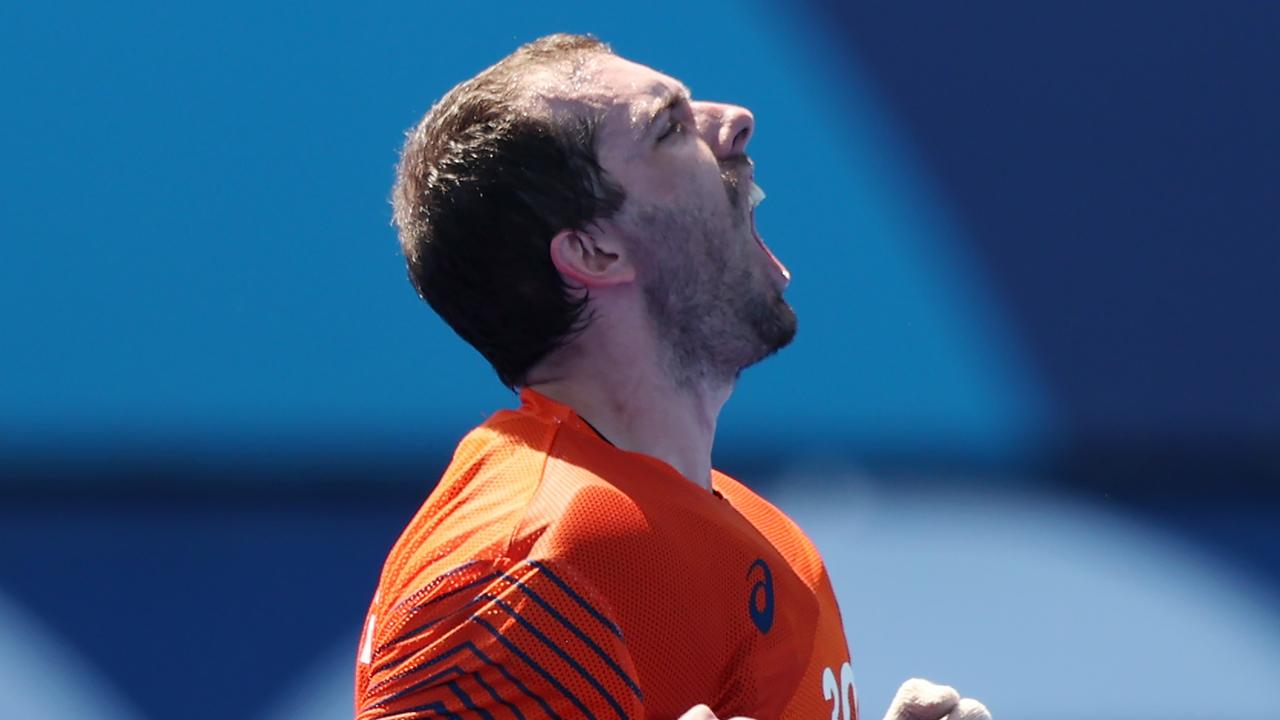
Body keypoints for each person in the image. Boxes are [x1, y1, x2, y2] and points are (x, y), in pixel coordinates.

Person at [355, 33, 991, 720]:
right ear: (595, 252)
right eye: (670, 127)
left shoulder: (769, 539)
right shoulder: (521, 572)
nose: (737, 119)